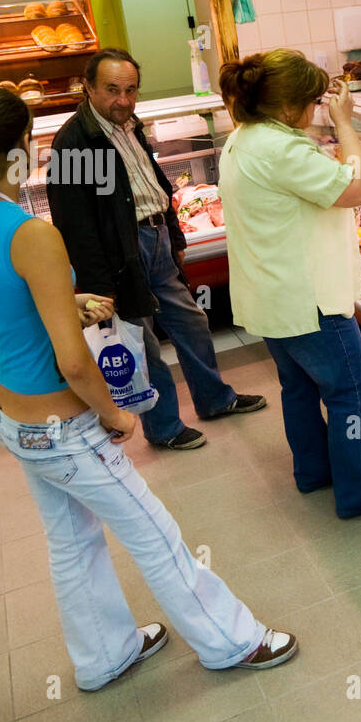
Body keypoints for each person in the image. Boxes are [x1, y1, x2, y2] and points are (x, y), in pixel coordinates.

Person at [0, 85, 297, 691]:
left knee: (71, 542)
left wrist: (56, 303)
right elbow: (76, 366)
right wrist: (114, 417)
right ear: (21, 148)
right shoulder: (30, 235)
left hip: (8, 419)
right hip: (65, 428)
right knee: (154, 533)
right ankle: (232, 641)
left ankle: (104, 655)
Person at [216, 49, 361, 519]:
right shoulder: (283, 149)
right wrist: (345, 123)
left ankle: (313, 472)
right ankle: (356, 493)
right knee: (349, 397)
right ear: (286, 107)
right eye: (313, 102)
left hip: (271, 296)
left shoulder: (243, 138)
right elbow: (360, 189)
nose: (315, 110)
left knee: (298, 390)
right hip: (310, 302)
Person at [46, 47, 265, 451]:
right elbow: (75, 223)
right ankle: (163, 427)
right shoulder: (76, 143)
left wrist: (175, 236)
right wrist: (99, 284)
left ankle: (215, 399)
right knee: (142, 344)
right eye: (112, 90)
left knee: (192, 323)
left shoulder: (129, 123)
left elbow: (153, 184)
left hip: (156, 239)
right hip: (120, 255)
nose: (124, 100)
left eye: (131, 90)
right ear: (88, 87)